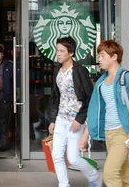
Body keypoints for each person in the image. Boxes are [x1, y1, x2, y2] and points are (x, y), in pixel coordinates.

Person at [80, 40, 129, 187]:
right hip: (109, 133)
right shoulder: (101, 82)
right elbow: (94, 110)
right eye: (99, 55)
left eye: (103, 55)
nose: (100, 59)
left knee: (110, 174)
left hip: (123, 133)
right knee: (124, 174)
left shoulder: (128, 78)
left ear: (114, 56)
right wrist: (85, 137)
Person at [46, 37, 102, 187]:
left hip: (75, 121)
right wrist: (52, 120)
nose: (58, 53)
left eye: (62, 51)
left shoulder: (79, 70)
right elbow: (55, 96)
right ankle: (64, 185)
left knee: (73, 158)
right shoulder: (57, 69)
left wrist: (79, 119)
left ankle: (94, 176)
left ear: (71, 53)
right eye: (57, 50)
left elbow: (90, 97)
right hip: (60, 118)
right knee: (56, 156)